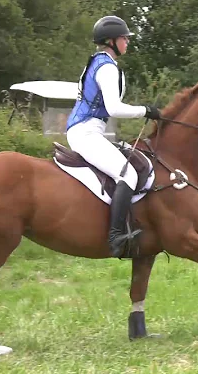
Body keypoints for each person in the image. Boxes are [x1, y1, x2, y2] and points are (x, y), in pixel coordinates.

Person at [65, 15, 161, 257]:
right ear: (110, 41)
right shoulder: (106, 67)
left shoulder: (98, 62)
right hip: (86, 132)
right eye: (123, 38)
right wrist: (146, 110)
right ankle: (116, 236)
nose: (127, 42)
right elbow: (114, 108)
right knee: (127, 173)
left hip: (88, 130)